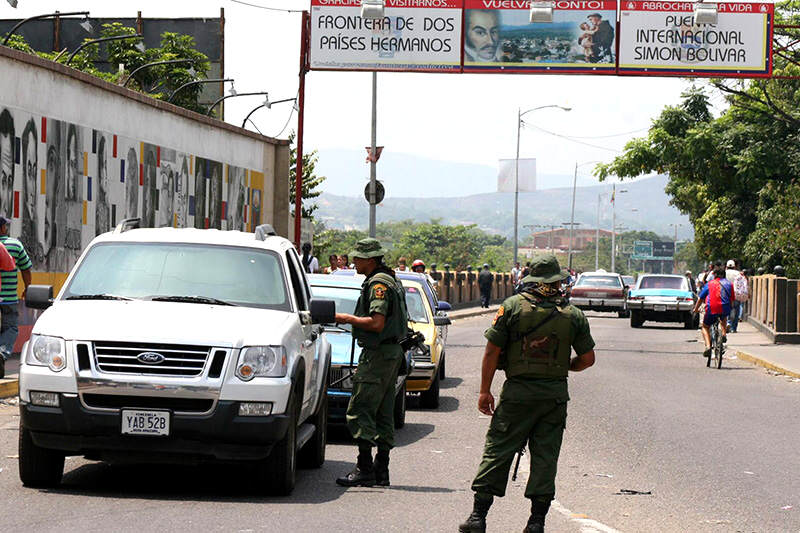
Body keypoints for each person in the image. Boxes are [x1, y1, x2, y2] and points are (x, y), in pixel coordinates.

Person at [459, 255, 596, 533]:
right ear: (557, 281)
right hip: (554, 397)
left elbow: (491, 352)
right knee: (545, 457)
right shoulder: (573, 315)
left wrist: (485, 391)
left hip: (517, 394)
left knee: (498, 450)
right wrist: (563, 367)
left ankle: (478, 517)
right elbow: (588, 359)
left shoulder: (512, 307)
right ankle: (536, 523)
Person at [334, 238, 409, 488]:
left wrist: (345, 318)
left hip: (378, 355)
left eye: (357, 258)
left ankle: (365, 468)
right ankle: (382, 470)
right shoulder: (390, 280)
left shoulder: (378, 284)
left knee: (360, 409)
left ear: (370, 259)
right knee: (383, 412)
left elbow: (376, 323)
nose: (353, 261)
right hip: (390, 354)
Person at [0, 216, 33, 378]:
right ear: (2, 228)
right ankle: (2, 353)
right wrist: (27, 288)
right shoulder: (15, 245)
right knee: (11, 328)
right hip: (8, 298)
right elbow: (26, 269)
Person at [692, 260, 734, 359]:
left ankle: (707, 346)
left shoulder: (709, 284)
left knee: (705, 326)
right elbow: (732, 300)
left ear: (714, 275)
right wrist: (729, 309)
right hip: (725, 307)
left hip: (712, 308)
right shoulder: (729, 284)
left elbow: (701, 299)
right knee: (723, 319)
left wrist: (695, 309)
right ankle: (723, 334)